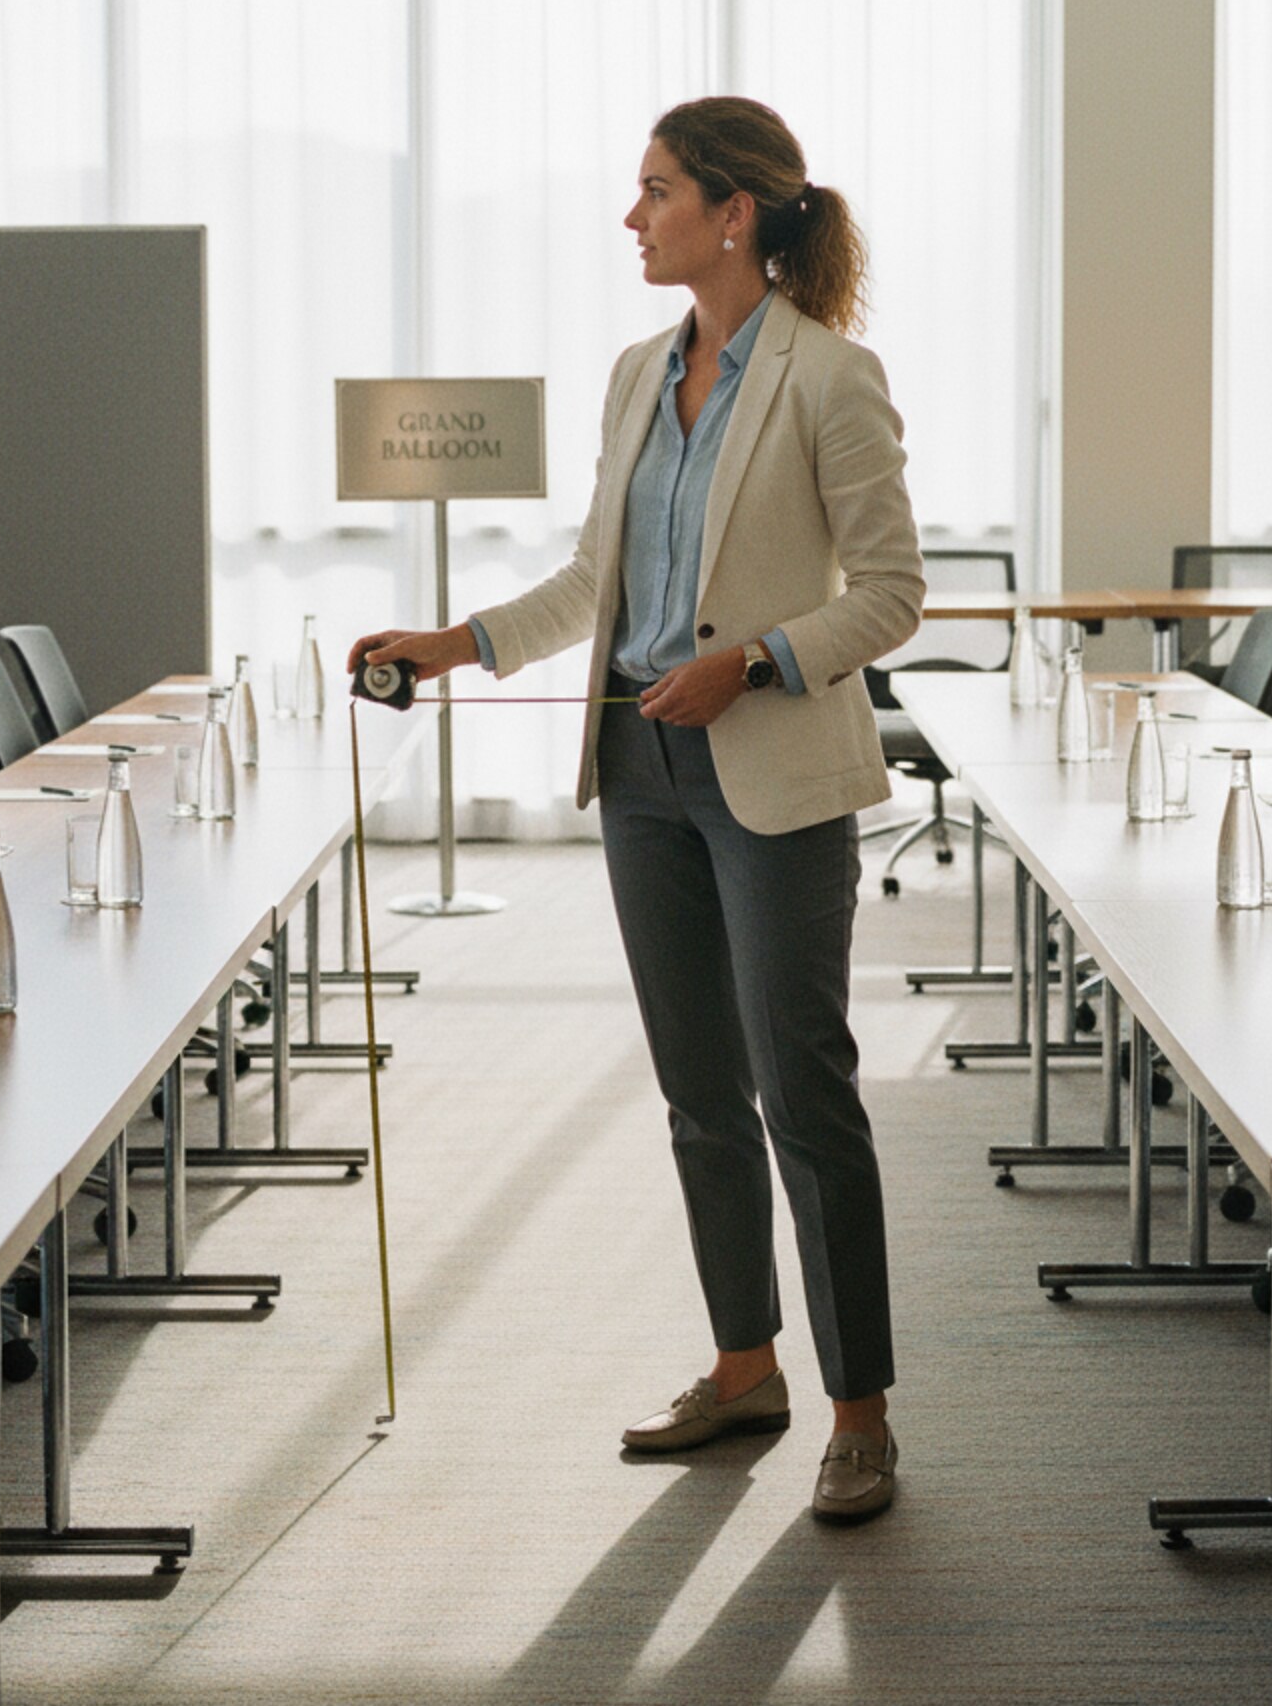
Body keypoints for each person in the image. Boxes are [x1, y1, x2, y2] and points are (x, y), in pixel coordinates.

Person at [349, 95, 923, 1521]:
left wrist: (759, 660)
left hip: (770, 768)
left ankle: (861, 1410)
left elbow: (893, 594)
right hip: (644, 771)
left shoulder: (829, 378)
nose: (633, 215)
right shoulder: (631, 375)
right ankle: (745, 1369)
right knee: (697, 1100)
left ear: (734, 212)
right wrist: (454, 642)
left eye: (656, 190)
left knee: (804, 1094)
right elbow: (590, 585)